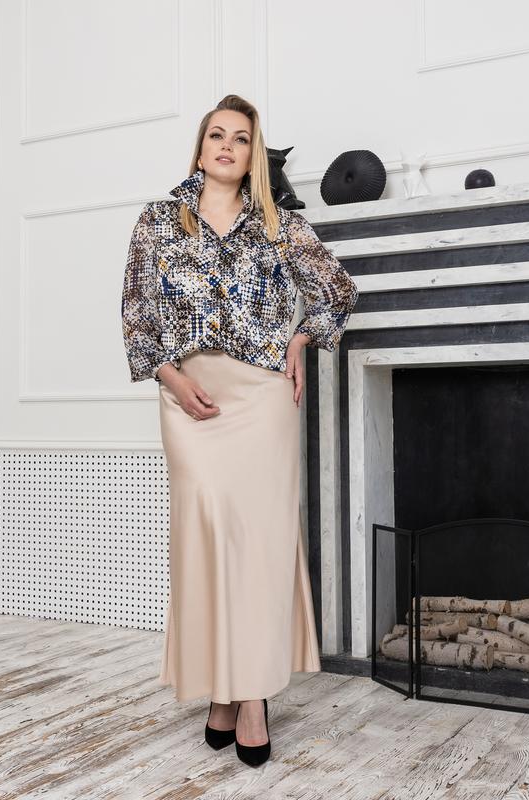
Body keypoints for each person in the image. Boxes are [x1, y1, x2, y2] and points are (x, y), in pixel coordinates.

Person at [121, 94, 358, 767]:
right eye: (217, 135)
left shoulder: (281, 224)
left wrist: (303, 340)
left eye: (242, 138)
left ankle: (247, 697)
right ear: (200, 149)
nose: (227, 146)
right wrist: (170, 378)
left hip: (261, 399)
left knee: (257, 547)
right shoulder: (158, 221)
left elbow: (338, 291)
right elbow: (136, 314)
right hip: (190, 397)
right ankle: (220, 685)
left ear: (253, 154)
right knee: (207, 544)